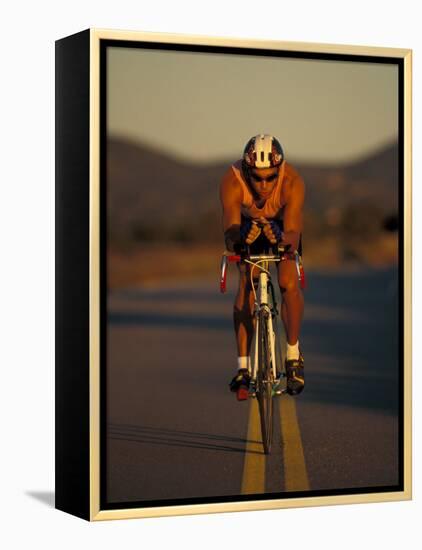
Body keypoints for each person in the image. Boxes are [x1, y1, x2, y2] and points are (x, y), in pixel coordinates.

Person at [219, 134, 305, 399]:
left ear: (279, 171)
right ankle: (243, 367)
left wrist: (281, 241)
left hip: (281, 229)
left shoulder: (292, 182)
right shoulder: (231, 181)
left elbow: (293, 231)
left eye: (270, 177)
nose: (264, 184)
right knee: (246, 283)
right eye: (256, 177)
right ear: (246, 171)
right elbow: (230, 231)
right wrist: (240, 241)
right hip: (247, 228)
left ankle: (292, 355)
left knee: (287, 282)